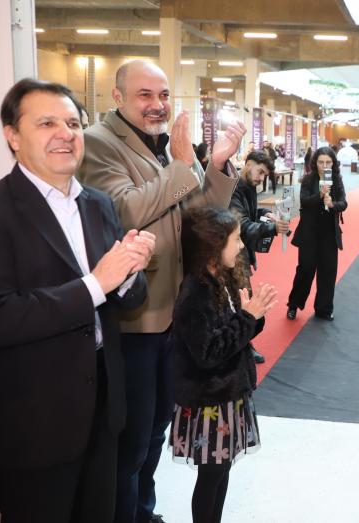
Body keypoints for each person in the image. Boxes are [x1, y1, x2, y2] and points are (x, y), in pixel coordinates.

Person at [0, 78, 154, 523]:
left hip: (102, 410)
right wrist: (97, 284)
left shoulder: (98, 204)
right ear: (12, 136)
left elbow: (125, 297)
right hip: (34, 424)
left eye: (73, 122)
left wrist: (130, 272)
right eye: (46, 123)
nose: (66, 133)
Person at [80, 59, 243, 523]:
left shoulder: (157, 148)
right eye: (145, 95)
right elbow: (125, 212)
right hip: (137, 319)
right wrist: (179, 163)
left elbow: (196, 221)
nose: (157, 105)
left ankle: (143, 512)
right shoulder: (98, 144)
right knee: (131, 440)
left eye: (164, 95)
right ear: (117, 97)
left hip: (174, 315)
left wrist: (211, 167)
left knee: (155, 433)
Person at [170, 207, 276, 523]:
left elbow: (238, 334)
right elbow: (209, 352)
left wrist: (252, 316)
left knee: (222, 470)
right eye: (236, 240)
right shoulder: (195, 292)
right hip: (209, 403)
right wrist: (247, 317)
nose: (242, 246)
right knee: (211, 475)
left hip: (229, 395)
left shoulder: (224, 279)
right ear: (214, 246)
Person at [230, 151, 290, 364]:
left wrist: (265, 214)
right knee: (240, 303)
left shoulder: (247, 187)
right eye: (260, 172)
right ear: (247, 164)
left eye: (264, 175)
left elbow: (250, 213)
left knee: (241, 302)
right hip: (230, 256)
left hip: (239, 253)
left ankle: (243, 344)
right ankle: (241, 346)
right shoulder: (234, 187)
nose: (261, 178)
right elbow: (242, 225)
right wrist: (272, 228)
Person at [286, 147, 347, 322]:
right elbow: (304, 202)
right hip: (309, 232)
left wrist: (333, 204)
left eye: (328, 162)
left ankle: (324, 309)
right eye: (321, 162)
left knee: (328, 272)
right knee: (305, 270)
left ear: (333, 163)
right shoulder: (308, 179)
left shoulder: (336, 179)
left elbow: (344, 202)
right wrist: (319, 196)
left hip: (329, 233)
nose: (324, 165)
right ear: (315, 162)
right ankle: (293, 305)